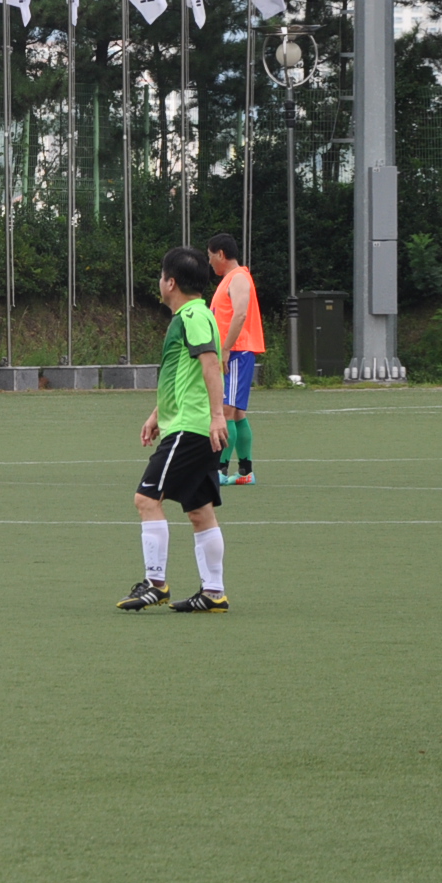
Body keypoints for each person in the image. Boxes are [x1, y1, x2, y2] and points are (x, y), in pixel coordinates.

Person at [119, 247, 228, 612]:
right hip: (190, 424)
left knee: (146, 499)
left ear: (171, 282)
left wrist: (217, 415)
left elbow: (210, 364)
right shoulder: (194, 314)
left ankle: (155, 584)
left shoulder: (193, 315)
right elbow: (185, 376)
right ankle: (214, 592)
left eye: (161, 276)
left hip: (190, 428)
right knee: (200, 510)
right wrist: (157, 414)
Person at [205, 233, 264, 486]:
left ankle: (219, 469)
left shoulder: (238, 277)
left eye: (210, 257)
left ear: (221, 254)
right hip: (233, 352)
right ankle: (245, 471)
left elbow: (240, 315)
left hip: (237, 352)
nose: (209, 263)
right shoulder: (229, 279)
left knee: (227, 410)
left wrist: (226, 349)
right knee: (237, 412)